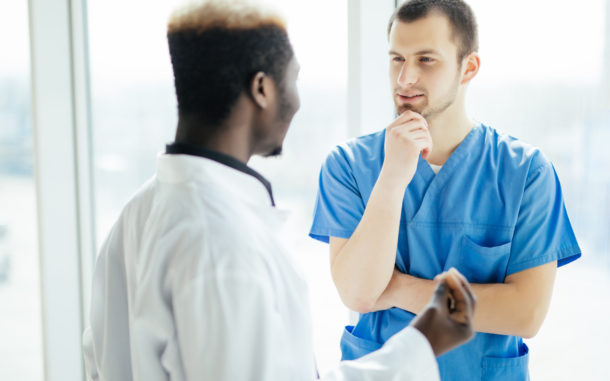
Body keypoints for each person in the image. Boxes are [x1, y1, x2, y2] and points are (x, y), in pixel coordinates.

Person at [81, 1, 478, 380]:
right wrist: (423, 343)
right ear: (262, 89)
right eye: (293, 79)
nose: (298, 101)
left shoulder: (134, 217)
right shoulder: (222, 244)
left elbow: (98, 362)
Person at [309, 0, 582, 379]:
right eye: (396, 59)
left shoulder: (527, 172)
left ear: (468, 67)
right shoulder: (349, 165)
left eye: (426, 60)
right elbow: (358, 293)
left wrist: (396, 288)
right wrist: (391, 179)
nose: (404, 78)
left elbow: (526, 314)